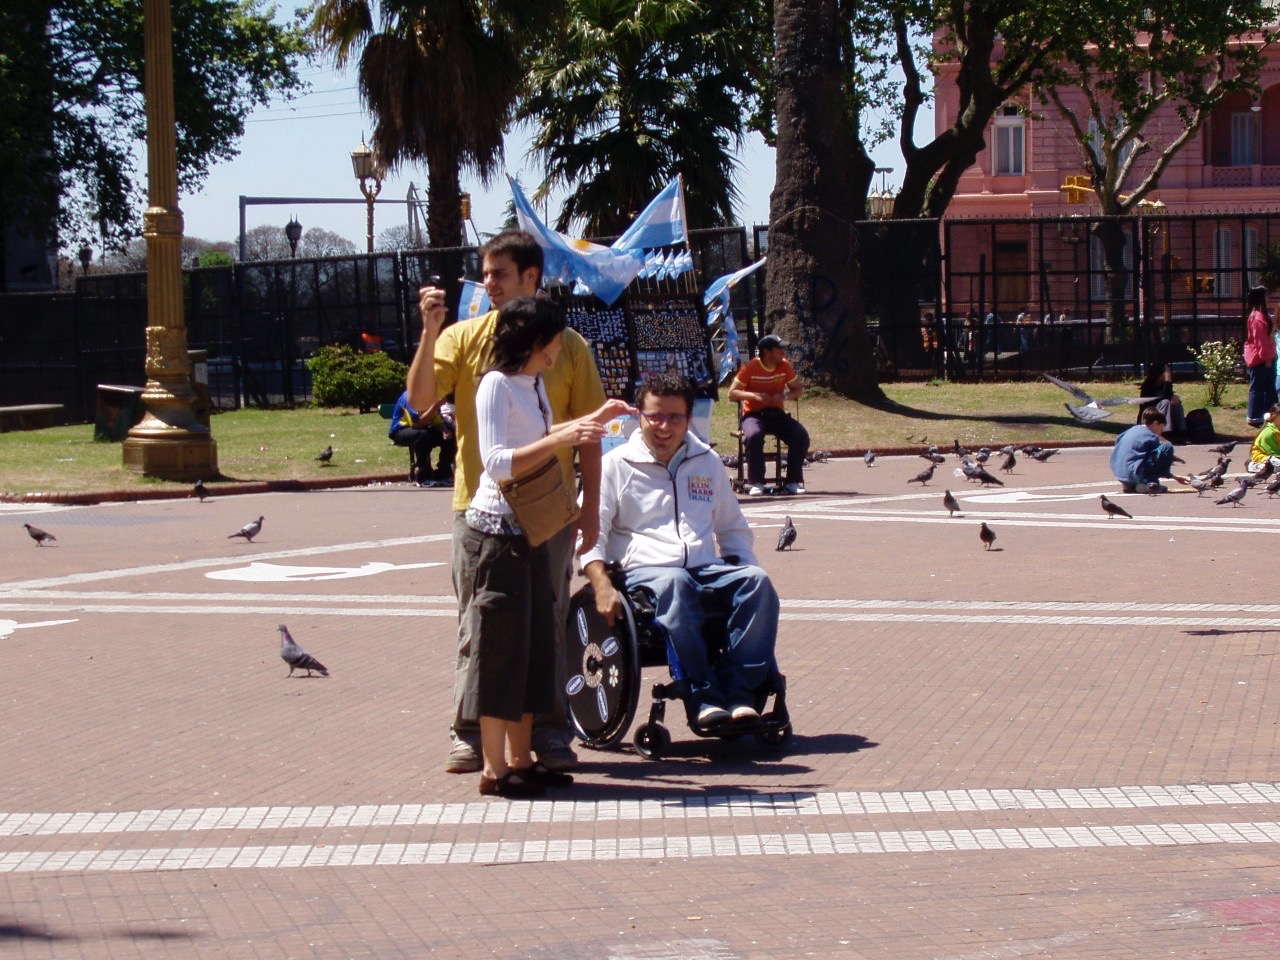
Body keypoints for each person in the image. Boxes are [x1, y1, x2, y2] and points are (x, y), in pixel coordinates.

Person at [407, 230, 609, 775]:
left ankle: (549, 733)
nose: (487, 284)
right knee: (481, 624)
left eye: (498, 274)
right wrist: (429, 332)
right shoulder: (463, 338)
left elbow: (588, 435)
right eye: (485, 273)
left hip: (548, 513)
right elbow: (420, 401)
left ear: (530, 277)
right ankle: (470, 733)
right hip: (481, 512)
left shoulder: (566, 345)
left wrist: (589, 509)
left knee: (548, 623)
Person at [464, 297, 629, 798]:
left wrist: (588, 421)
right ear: (536, 341)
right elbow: (496, 461)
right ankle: (494, 768)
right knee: (501, 647)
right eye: (555, 338)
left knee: (536, 646)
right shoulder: (495, 384)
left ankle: (521, 758)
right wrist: (563, 438)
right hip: (499, 533)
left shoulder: (533, 383)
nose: (561, 347)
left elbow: (539, 434)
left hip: (536, 528)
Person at [582, 372, 779, 727]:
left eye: (674, 417)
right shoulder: (615, 465)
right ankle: (704, 696)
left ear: (688, 419)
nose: (664, 426)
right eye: (654, 416)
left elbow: (733, 529)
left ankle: (740, 694)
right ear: (639, 415)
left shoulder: (706, 461)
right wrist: (600, 584)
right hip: (644, 572)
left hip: (703, 568)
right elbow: (589, 533)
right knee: (675, 582)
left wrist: (742, 568)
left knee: (757, 582)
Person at [727, 334, 810, 495]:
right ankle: (757, 482)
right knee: (754, 435)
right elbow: (732, 393)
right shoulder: (750, 367)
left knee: (800, 435)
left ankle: (792, 481)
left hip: (777, 414)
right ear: (766, 352)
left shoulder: (784, 366)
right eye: (779, 350)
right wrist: (755, 396)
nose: (783, 353)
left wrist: (785, 396)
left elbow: (798, 389)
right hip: (754, 415)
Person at [388, 390, 456, 485]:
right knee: (422, 435)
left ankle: (443, 473)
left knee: (451, 435)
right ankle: (423, 475)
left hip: (423, 429)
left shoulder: (430, 396)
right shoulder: (410, 397)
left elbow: (436, 420)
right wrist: (435, 405)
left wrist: (445, 430)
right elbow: (417, 423)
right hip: (400, 430)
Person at [1110, 407, 1176, 494]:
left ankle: (1129, 485)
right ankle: (1147, 483)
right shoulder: (1152, 436)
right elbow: (1157, 458)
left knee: (1140, 459)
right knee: (1167, 447)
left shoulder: (1128, 431)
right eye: (1161, 428)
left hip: (1119, 473)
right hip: (1134, 473)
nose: (1160, 432)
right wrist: (1170, 474)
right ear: (1156, 423)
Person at [1244, 285, 1277, 428]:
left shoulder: (1261, 315)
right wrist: (1267, 358)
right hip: (1260, 359)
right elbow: (1260, 340)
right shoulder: (1257, 317)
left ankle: (1271, 415)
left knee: (1269, 388)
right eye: (1266, 296)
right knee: (1258, 388)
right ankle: (1254, 416)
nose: (1268, 298)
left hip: (1266, 356)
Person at [1136, 362, 1186, 440]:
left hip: (1161, 414)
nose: (1169, 374)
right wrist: (1168, 381)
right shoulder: (1148, 387)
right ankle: (1166, 432)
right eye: (1167, 372)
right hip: (1149, 420)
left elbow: (1168, 395)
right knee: (1165, 402)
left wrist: (1174, 397)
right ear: (1159, 374)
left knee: (1176, 404)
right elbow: (1163, 396)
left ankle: (1182, 431)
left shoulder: (1164, 385)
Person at [1249, 402, 1280, 472]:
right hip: (1265, 456)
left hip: (1276, 455)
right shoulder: (1269, 433)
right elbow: (1273, 453)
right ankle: (1253, 466)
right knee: (1276, 465)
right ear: (1273, 416)